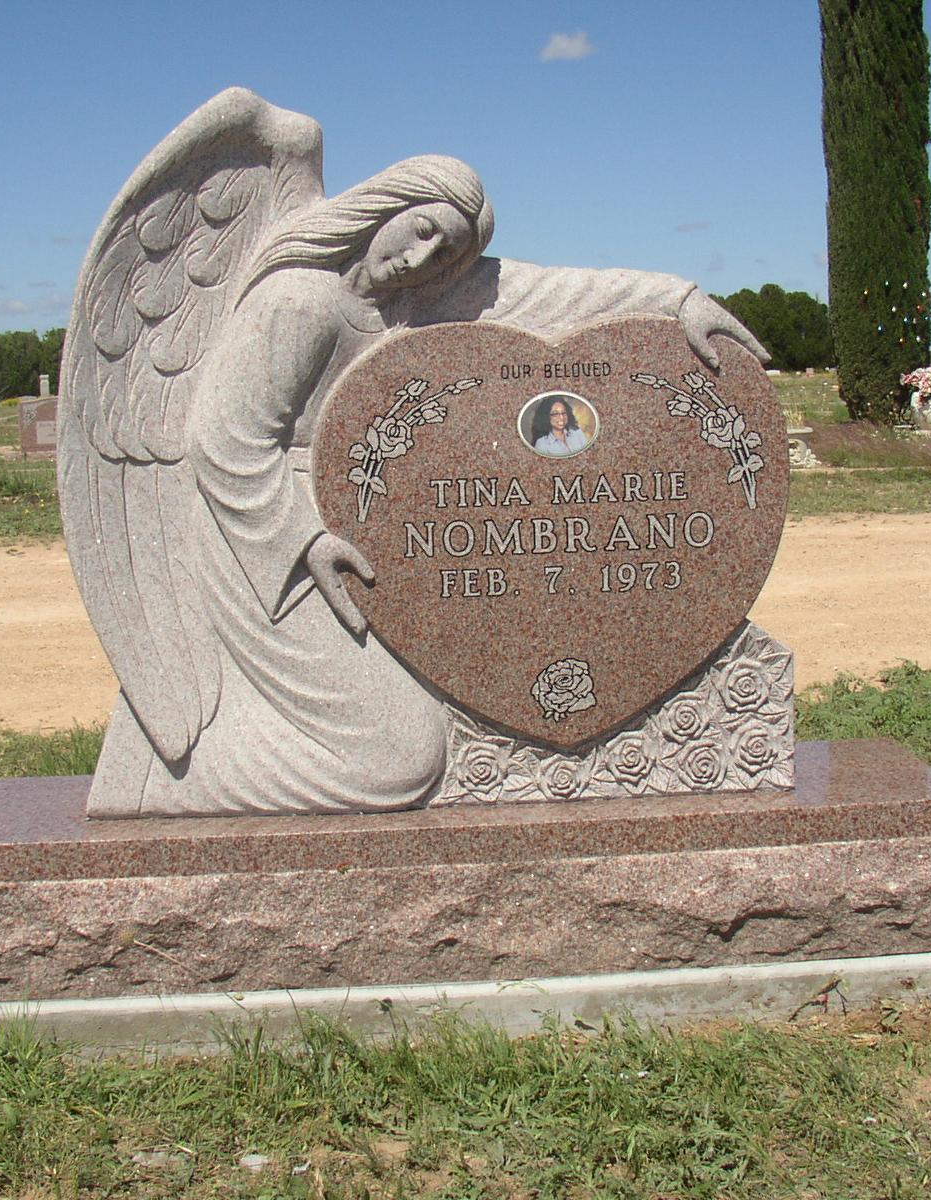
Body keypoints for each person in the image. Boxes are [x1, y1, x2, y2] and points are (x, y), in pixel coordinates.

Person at [62, 89, 767, 817]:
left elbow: (541, 292)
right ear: (388, 204)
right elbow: (224, 445)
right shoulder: (302, 302)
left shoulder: (406, 307)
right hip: (263, 542)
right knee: (396, 762)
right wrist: (302, 541)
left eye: (446, 250)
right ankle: (158, 777)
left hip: (347, 531)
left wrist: (679, 299)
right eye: (424, 228)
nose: (423, 254)